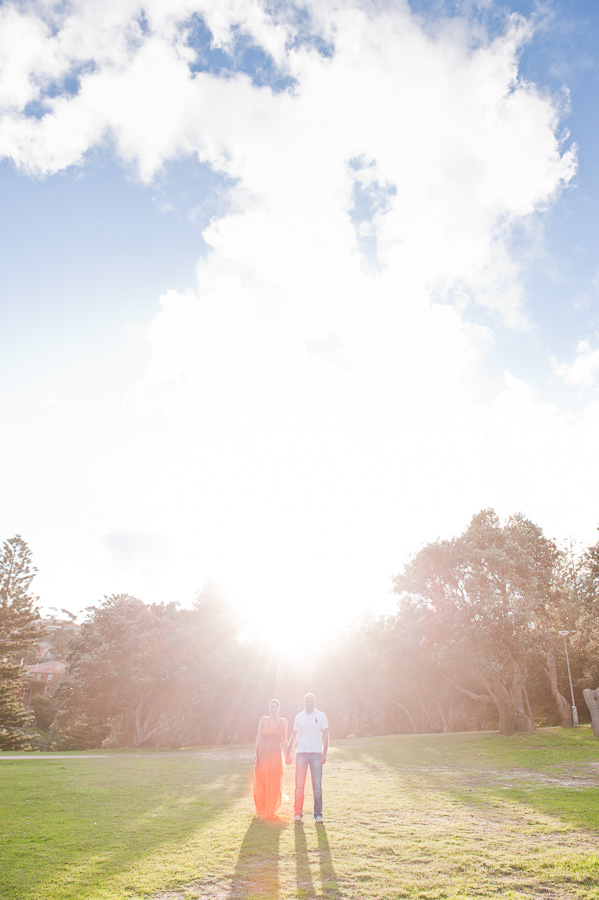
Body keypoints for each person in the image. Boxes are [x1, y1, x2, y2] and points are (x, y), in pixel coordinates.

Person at [286, 692, 329, 824]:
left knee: (317, 786)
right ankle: (297, 813)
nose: (309, 703)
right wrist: (288, 752)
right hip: (301, 754)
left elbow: (325, 736)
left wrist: (324, 754)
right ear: (304, 702)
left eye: (311, 701)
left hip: (316, 754)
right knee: (299, 786)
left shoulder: (321, 716)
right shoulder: (299, 717)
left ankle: (318, 814)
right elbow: (294, 736)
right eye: (307, 701)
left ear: (314, 702)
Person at [253, 698, 288, 819]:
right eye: (271, 707)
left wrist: (288, 753)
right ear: (269, 708)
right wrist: (255, 753)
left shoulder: (284, 722)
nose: (273, 709)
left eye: (275, 707)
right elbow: (258, 736)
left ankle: (272, 810)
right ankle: (262, 809)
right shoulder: (263, 720)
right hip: (263, 751)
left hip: (276, 753)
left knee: (274, 780)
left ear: (279, 708)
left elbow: (284, 739)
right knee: (262, 779)